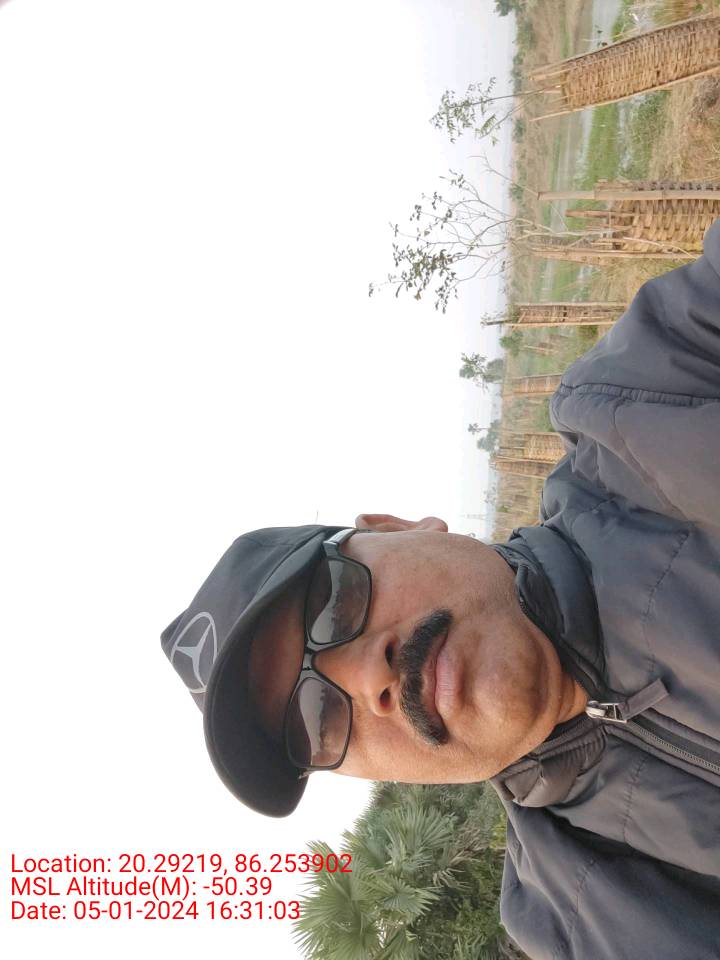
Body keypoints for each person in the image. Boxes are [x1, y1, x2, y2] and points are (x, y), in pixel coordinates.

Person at [161, 222, 720, 959]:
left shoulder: (656, 394)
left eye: (334, 603)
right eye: (316, 720)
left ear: (399, 527)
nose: (367, 679)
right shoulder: (584, 928)